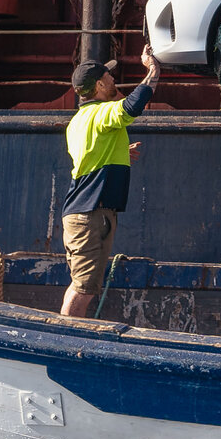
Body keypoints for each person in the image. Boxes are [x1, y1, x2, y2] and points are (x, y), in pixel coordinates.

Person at [59, 46, 160, 319]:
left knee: (83, 285)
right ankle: (64, 336)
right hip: (89, 214)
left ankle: (66, 332)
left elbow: (89, 157)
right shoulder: (100, 113)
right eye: (109, 76)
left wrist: (119, 153)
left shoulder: (78, 121)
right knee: (83, 288)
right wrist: (153, 71)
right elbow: (131, 107)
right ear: (100, 85)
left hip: (85, 213)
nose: (114, 79)